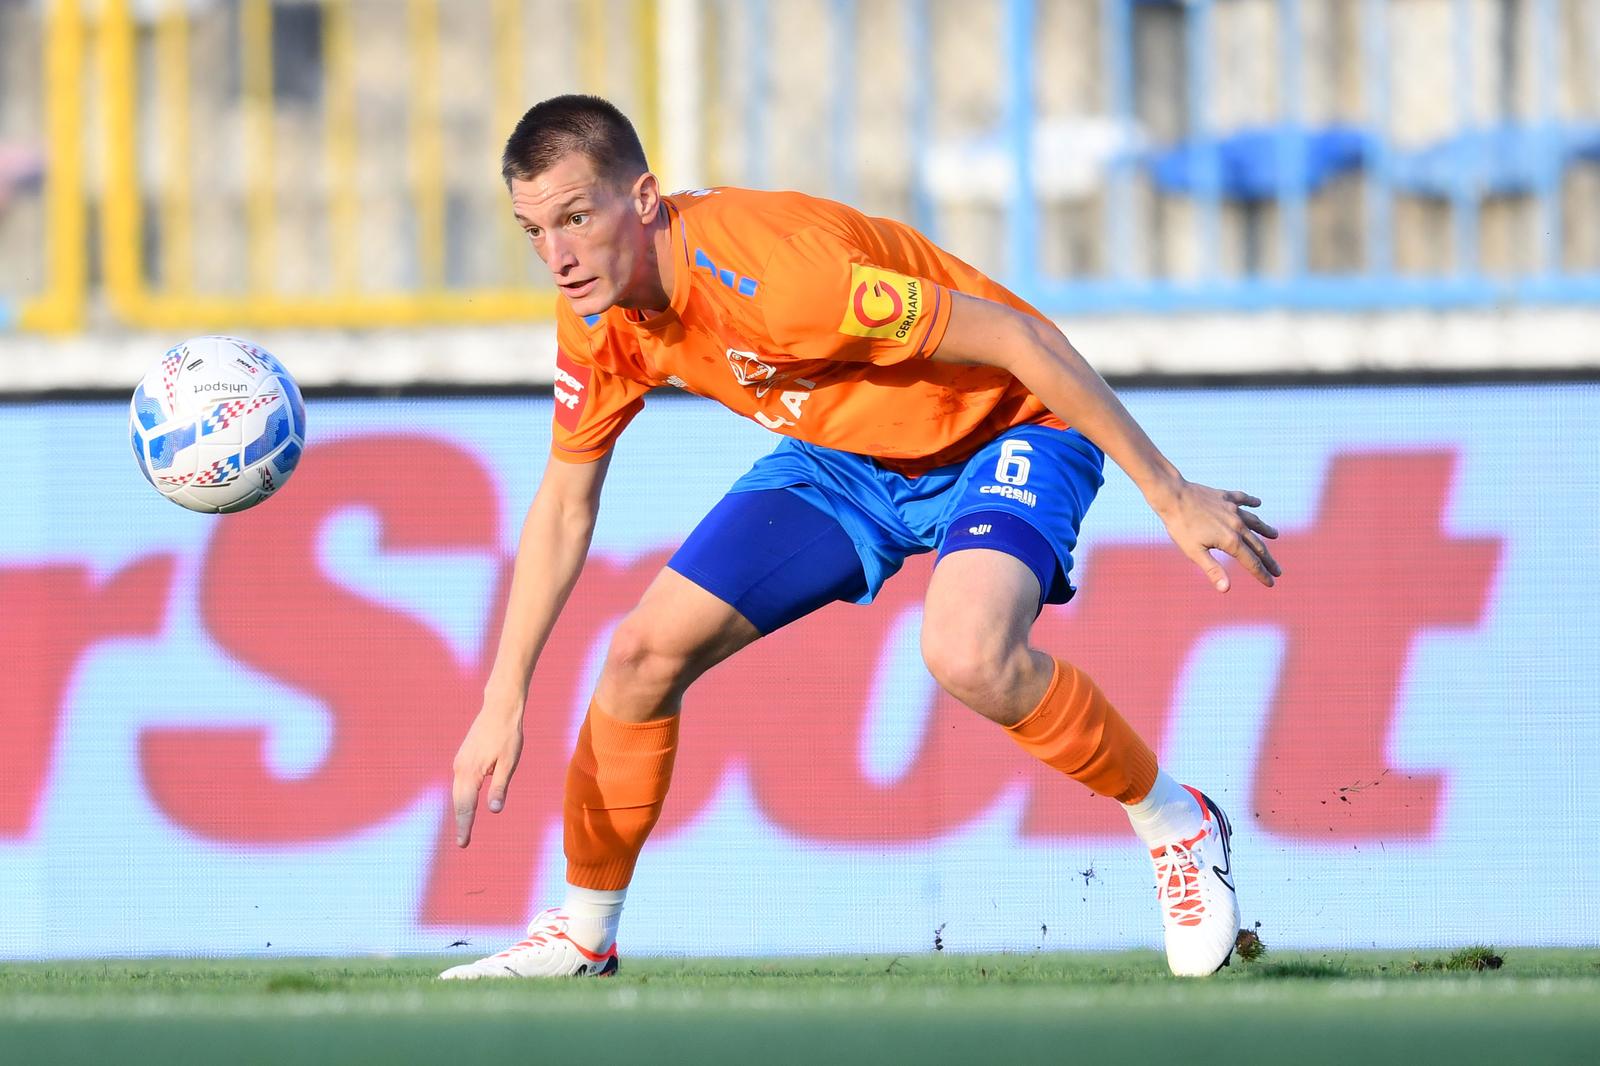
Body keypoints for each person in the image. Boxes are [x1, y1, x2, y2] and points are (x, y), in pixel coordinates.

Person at [441, 94, 1281, 980]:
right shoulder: (596, 314)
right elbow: (565, 506)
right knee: (642, 655)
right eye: (534, 230)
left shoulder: (780, 274)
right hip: (844, 458)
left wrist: (1169, 489)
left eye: (576, 216)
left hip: (1007, 428)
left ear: (643, 197)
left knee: (968, 653)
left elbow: (1022, 339)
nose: (558, 255)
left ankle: (1175, 823)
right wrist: (504, 698)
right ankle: (583, 933)